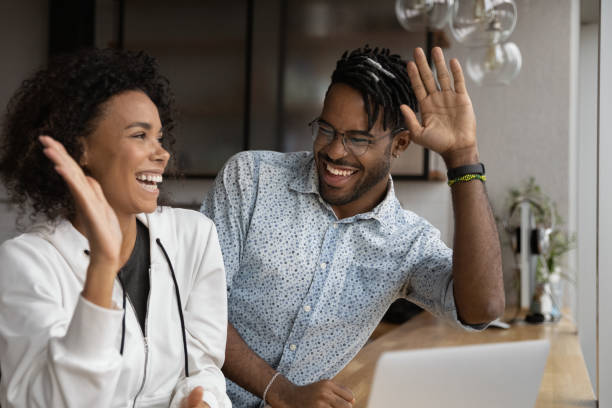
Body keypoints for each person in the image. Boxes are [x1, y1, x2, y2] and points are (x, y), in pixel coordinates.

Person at [201, 45, 504, 408]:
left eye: (358, 139)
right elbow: (198, 304)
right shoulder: (251, 179)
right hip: (195, 398)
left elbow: (483, 307)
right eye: (326, 129)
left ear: (400, 143)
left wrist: (462, 157)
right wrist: (280, 391)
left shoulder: (406, 242)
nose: (335, 151)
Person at [0, 49, 231, 408]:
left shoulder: (194, 237)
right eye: (139, 135)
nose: (162, 153)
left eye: (159, 136)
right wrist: (103, 266)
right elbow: (51, 402)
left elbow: (203, 367)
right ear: (82, 150)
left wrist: (201, 401)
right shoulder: (26, 263)